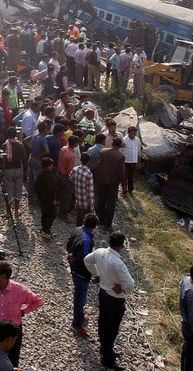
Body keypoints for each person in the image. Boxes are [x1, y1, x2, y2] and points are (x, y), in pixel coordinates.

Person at [85, 232, 136, 371]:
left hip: (103, 294)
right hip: (114, 299)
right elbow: (130, 284)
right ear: (121, 245)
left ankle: (104, 349)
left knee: (103, 323)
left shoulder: (100, 252)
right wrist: (123, 290)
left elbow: (87, 261)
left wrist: (97, 275)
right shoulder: (118, 264)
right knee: (112, 329)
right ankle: (108, 358)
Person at [0, 261, 43, 367]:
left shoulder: (19, 290)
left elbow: (38, 301)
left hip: (11, 334)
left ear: (3, 276)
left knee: (12, 362)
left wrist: (24, 311)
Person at [67, 213, 99, 338]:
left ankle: (79, 315)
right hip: (81, 273)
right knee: (80, 297)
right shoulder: (87, 240)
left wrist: (70, 255)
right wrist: (95, 274)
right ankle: (76, 323)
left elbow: (69, 244)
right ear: (95, 226)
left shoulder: (77, 230)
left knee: (79, 295)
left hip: (74, 269)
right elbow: (86, 260)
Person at [96, 137, 126, 229]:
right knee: (111, 202)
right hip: (113, 182)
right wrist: (124, 185)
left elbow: (99, 164)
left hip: (101, 179)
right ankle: (107, 223)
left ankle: (100, 218)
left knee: (102, 199)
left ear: (112, 143)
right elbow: (121, 172)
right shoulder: (120, 156)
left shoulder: (103, 151)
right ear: (120, 145)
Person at [34, 157, 61, 237]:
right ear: (49, 166)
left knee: (44, 214)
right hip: (50, 199)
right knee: (52, 215)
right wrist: (55, 198)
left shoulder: (40, 175)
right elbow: (53, 189)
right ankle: (47, 230)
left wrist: (40, 196)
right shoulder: (51, 177)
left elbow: (36, 187)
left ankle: (43, 229)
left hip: (42, 199)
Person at [71, 152, 95, 226]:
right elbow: (90, 193)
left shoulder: (75, 169)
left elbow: (71, 178)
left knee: (78, 221)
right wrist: (92, 207)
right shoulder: (89, 174)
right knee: (85, 223)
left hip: (78, 199)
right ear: (89, 161)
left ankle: (77, 234)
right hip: (86, 203)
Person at [122, 126, 143, 197]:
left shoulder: (137, 140)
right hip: (126, 161)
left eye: (134, 133)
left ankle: (130, 190)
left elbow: (138, 150)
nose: (133, 135)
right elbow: (121, 151)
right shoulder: (124, 140)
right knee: (124, 176)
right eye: (132, 133)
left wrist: (138, 159)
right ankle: (124, 191)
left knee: (131, 177)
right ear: (129, 133)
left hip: (133, 161)